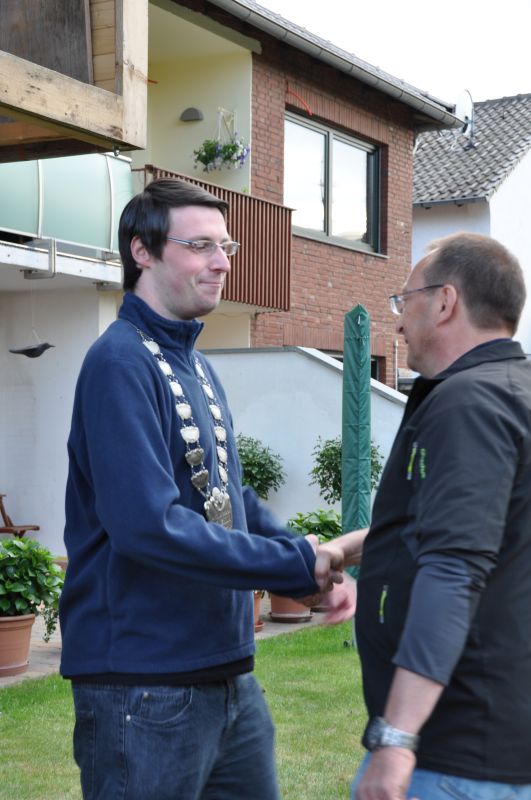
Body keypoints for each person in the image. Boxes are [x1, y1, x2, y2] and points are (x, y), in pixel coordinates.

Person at [59, 178, 353, 800]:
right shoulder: (119, 363)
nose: (222, 262)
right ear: (142, 251)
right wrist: (296, 562)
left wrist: (306, 562)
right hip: (144, 684)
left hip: (228, 676)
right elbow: (149, 526)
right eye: (200, 246)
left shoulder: (196, 365)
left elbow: (228, 500)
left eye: (226, 246)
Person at [325, 233, 531, 799]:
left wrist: (395, 738)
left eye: (405, 299)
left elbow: (455, 567)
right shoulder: (511, 392)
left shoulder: (471, 404)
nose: (397, 322)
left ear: (445, 302)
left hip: (458, 752)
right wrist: (345, 549)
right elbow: (474, 524)